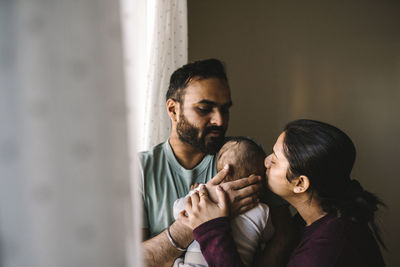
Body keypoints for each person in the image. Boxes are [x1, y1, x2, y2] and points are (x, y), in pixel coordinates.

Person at [140, 59, 293, 267]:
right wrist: (195, 220)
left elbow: (284, 236)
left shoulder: (244, 156)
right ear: (173, 110)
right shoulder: (139, 170)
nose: (220, 121)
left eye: (225, 109)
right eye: (204, 109)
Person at [180, 119, 386, 267]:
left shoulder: (329, 248)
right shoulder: (312, 224)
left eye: (275, 160)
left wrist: (211, 229)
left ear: (300, 183)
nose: (266, 161)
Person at [173, 136, 275, 267]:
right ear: (256, 179)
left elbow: (177, 211)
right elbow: (269, 235)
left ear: (220, 174)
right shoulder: (262, 210)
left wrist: (193, 193)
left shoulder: (204, 196)